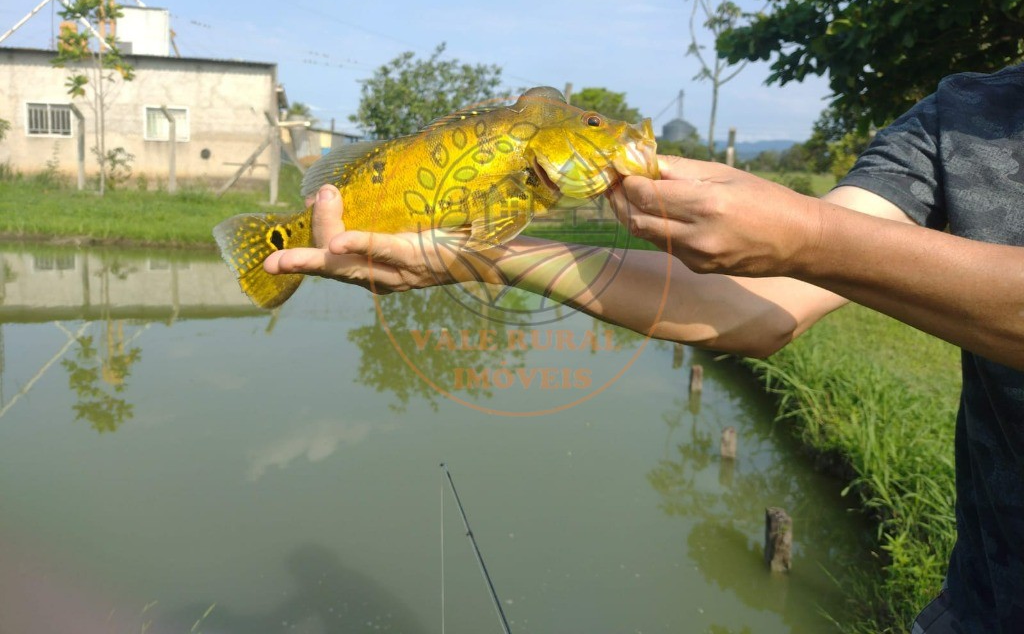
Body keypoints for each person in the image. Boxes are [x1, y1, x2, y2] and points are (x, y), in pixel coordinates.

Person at [265, 65, 1024, 633]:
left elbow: (818, 247)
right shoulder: (950, 120)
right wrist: (485, 253)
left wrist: (805, 234)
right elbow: (758, 312)